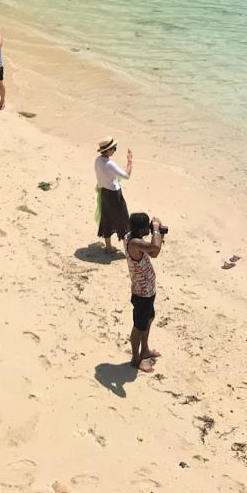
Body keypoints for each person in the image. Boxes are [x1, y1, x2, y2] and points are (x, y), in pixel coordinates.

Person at [125, 213, 164, 373]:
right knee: (138, 327)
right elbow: (155, 250)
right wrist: (156, 230)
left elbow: (153, 251)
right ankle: (136, 359)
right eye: (146, 226)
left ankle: (145, 350)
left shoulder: (131, 236)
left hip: (147, 291)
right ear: (141, 229)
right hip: (141, 293)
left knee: (149, 318)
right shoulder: (134, 243)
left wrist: (157, 233)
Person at [94, 138, 133, 254]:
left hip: (104, 193)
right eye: (114, 149)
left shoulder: (97, 160)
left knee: (106, 219)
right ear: (109, 150)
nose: (115, 151)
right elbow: (126, 176)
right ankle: (128, 248)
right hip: (115, 195)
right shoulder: (109, 164)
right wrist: (130, 161)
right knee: (123, 220)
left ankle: (109, 247)